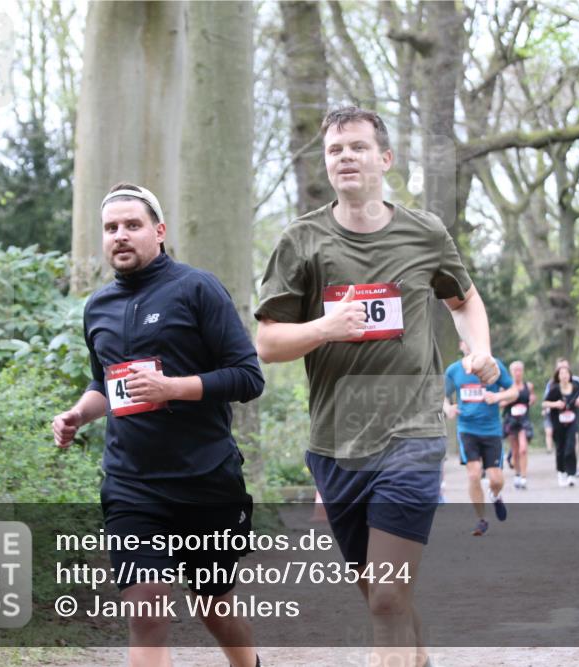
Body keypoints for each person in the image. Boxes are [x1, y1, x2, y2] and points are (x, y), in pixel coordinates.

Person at [255, 106, 500, 667]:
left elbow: (463, 300)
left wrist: (479, 347)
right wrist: (326, 326)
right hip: (336, 444)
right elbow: (267, 344)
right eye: (336, 149)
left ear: (384, 159)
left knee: (387, 597)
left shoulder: (425, 232)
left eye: (358, 147)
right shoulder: (302, 241)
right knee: (381, 595)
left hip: (411, 434)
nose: (346, 157)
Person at [51, 182, 264, 667]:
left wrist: (174, 388)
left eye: (132, 225)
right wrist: (78, 414)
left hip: (205, 480)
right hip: (131, 485)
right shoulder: (98, 306)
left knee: (214, 607)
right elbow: (103, 383)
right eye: (110, 228)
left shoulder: (196, 288)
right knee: (146, 613)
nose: (120, 236)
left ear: (159, 231)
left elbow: (248, 377)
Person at [443, 342, 517, 535]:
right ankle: (481, 519)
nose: (471, 344)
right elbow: (441, 396)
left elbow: (513, 391)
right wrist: (448, 408)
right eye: (467, 341)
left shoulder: (493, 365)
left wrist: (498, 397)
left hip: (491, 430)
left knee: (496, 479)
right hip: (467, 429)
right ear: (461, 345)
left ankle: (495, 495)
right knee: (474, 474)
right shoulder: (454, 370)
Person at [541, 365, 579, 487]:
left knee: (570, 446)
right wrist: (555, 404)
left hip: (573, 420)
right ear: (558, 376)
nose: (564, 376)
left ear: (570, 375)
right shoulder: (554, 389)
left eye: (566, 373)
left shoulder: (575, 387)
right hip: (558, 421)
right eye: (561, 374)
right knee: (560, 447)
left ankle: (571, 474)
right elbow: (544, 403)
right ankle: (561, 472)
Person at [500, 361, 536, 490]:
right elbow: (499, 403)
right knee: (515, 451)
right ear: (511, 372)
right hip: (511, 420)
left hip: (524, 421)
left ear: (523, 371)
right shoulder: (506, 388)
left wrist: (532, 399)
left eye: (520, 370)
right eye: (515, 370)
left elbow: (532, 397)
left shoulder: (528, 386)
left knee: (523, 449)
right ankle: (517, 474)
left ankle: (524, 478)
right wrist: (505, 401)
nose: (517, 372)